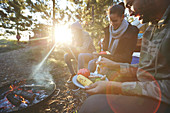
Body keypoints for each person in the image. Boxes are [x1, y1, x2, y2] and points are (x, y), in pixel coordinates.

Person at [79, 0, 170, 113]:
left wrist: (117, 87)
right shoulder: (151, 27)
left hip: (161, 98)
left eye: (130, 4)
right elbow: (145, 70)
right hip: (146, 85)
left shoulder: (132, 31)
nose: (130, 13)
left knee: (92, 105)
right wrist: (115, 65)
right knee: (98, 75)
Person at [88, 2, 139, 72]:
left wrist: (105, 57)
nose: (112, 24)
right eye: (110, 21)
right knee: (92, 63)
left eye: (115, 21)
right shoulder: (108, 30)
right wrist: (102, 45)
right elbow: (106, 49)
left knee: (99, 67)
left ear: (122, 17)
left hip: (121, 64)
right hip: (108, 59)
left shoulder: (131, 32)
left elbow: (126, 57)